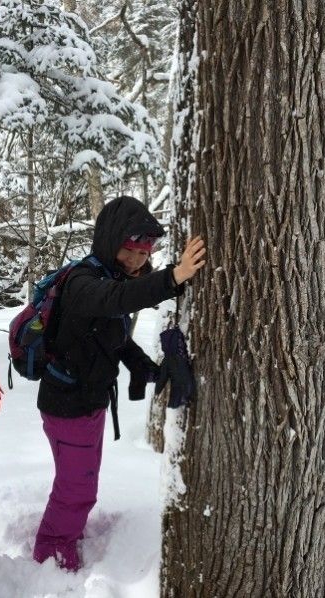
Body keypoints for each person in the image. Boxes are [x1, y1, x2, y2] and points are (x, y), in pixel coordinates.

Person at [33, 195, 206, 571]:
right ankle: (51, 555)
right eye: (131, 250)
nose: (139, 260)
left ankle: (65, 535)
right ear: (111, 242)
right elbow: (112, 302)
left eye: (145, 254)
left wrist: (145, 368)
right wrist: (173, 278)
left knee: (80, 483)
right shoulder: (84, 281)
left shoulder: (110, 279)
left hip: (88, 403)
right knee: (76, 488)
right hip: (67, 405)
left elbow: (115, 338)